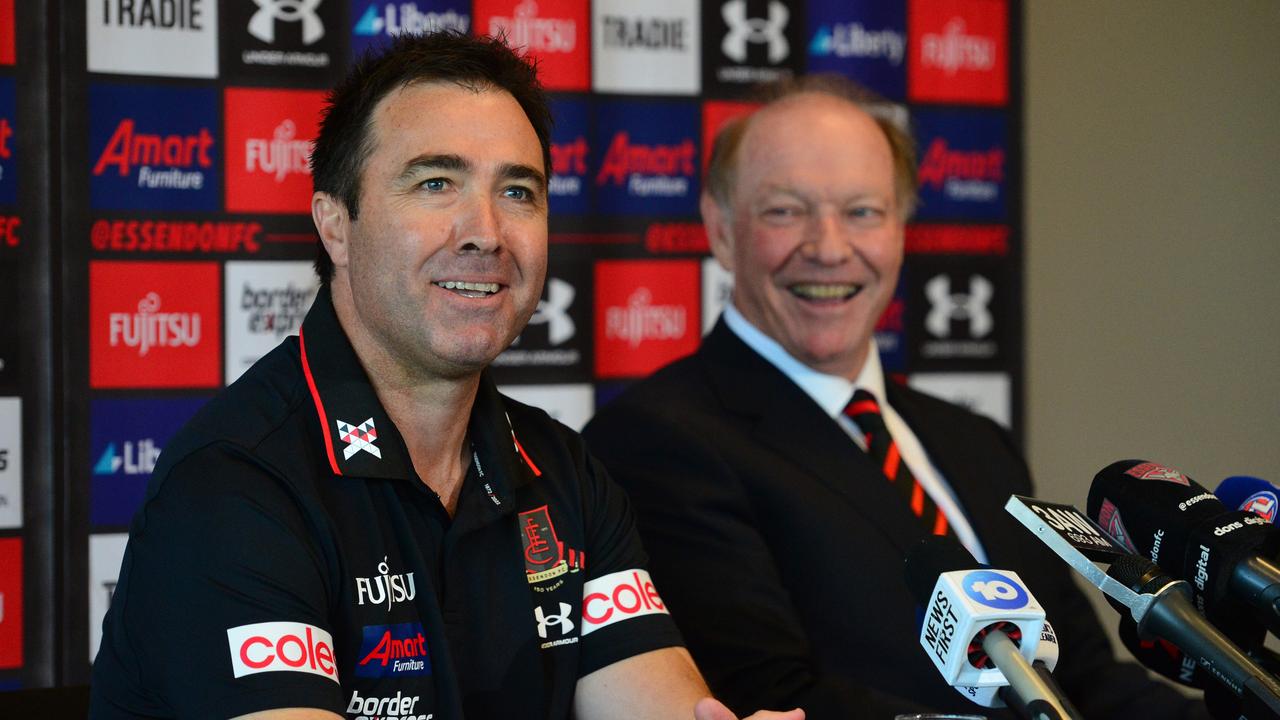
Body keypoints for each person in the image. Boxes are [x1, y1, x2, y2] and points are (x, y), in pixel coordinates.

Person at [89, 31, 803, 720]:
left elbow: (658, 703)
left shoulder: (564, 473)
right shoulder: (237, 485)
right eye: (436, 182)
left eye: (518, 192)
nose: (485, 231)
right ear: (335, 226)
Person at [582, 75, 1208, 718]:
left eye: (863, 212)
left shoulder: (976, 444)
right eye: (785, 211)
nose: (829, 249)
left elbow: (1083, 679)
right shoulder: (655, 442)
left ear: (901, 228)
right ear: (719, 229)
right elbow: (771, 697)